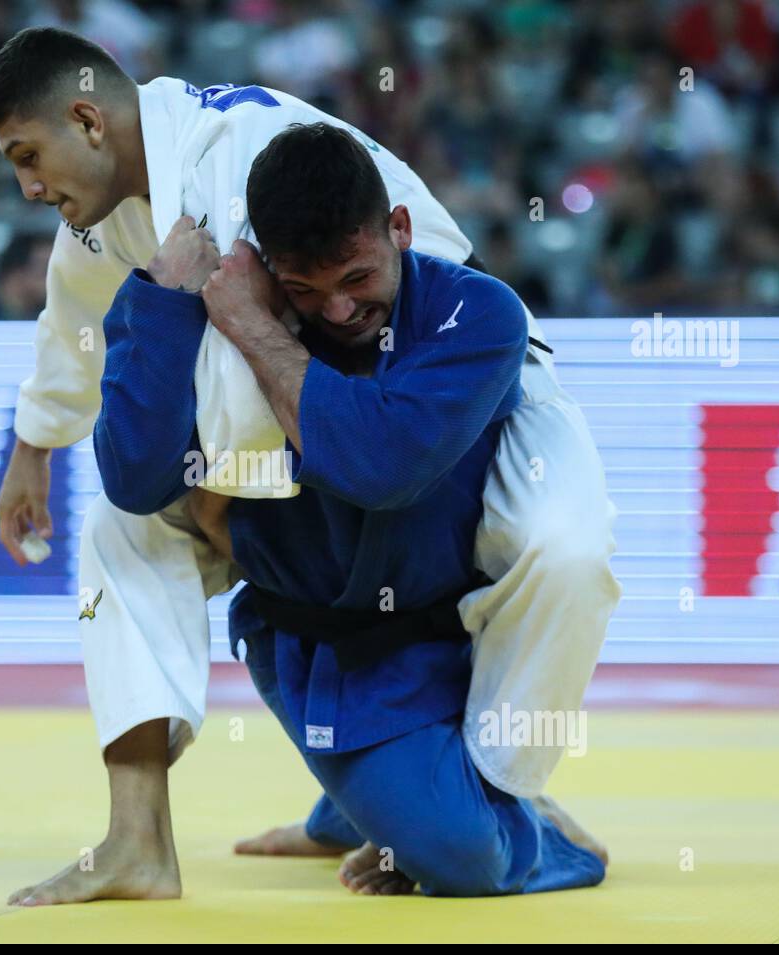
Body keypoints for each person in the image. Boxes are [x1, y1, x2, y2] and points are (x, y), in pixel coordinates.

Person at [0, 28, 619, 906]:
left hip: (446, 389)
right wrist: (33, 448)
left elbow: (270, 365)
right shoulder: (112, 211)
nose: (30, 185)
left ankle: (500, 794)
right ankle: (138, 840)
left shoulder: (232, 169)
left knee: (561, 543)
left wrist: (224, 513)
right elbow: (74, 319)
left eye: (28, 155)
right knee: (120, 527)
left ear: (87, 118)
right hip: (310, 408)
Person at [93, 124, 608, 896]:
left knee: (565, 555)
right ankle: (380, 803)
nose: (337, 309)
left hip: (454, 638)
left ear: (400, 229)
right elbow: (133, 480)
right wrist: (166, 295)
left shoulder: (477, 315)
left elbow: (381, 466)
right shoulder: (210, 310)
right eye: (304, 287)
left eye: (359, 277)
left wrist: (258, 324)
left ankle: (537, 833)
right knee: (460, 860)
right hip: (320, 648)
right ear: (263, 261)